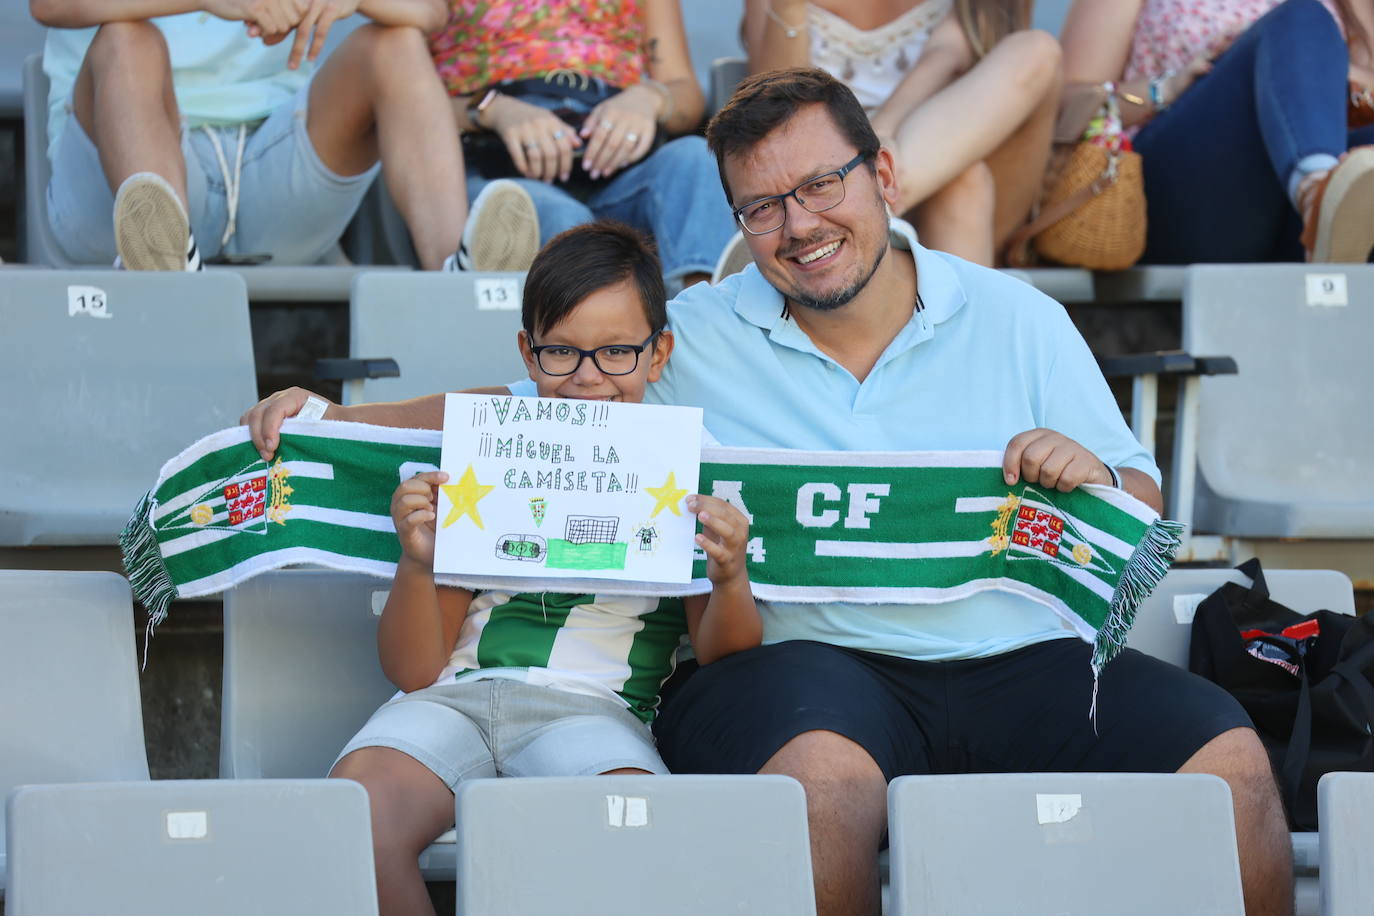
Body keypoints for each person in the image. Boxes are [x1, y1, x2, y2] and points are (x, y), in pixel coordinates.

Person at [243, 69, 1292, 916]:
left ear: (883, 172)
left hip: (1016, 656)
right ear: (739, 217)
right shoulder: (693, 332)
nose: (797, 224)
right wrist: (328, 419)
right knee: (828, 784)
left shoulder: (1013, 317)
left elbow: (1142, 497)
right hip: (803, 665)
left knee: (1235, 768)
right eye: (762, 205)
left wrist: (1092, 471)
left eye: (821, 185)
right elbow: (525, 409)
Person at [326, 222, 761, 916]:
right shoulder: (494, 439)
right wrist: (417, 562)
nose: (588, 377)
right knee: (350, 823)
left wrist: (729, 577)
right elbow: (414, 671)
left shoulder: (693, 461)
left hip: (594, 715)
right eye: (562, 351)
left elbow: (726, 653)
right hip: (450, 701)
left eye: (617, 351)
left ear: (660, 353)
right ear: (529, 353)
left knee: (635, 836)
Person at [32, 0, 540, 271]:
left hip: (271, 173)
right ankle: (165, 268)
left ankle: (464, 278)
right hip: (122, 190)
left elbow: (428, 11)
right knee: (128, 39)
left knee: (396, 45)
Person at [738, 0, 1059, 265]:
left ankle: (862, 194)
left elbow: (946, 57)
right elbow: (774, 109)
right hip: (816, 177)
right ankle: (857, 194)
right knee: (964, 182)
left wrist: (873, 139)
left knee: (1037, 49)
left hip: (960, 178)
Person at [438, 0, 735, 286]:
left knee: (695, 161)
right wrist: (493, 110)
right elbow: (402, 104)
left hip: (618, 164)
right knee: (563, 220)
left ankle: (703, 318)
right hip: (497, 164)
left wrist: (648, 99)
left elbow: (684, 92)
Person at [1060, 0, 1374, 263]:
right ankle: (1319, 195)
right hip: (1175, 190)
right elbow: (1065, 106)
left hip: (1292, 211)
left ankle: (1327, 208)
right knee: (1301, 18)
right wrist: (1165, 88)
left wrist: (1316, 68)